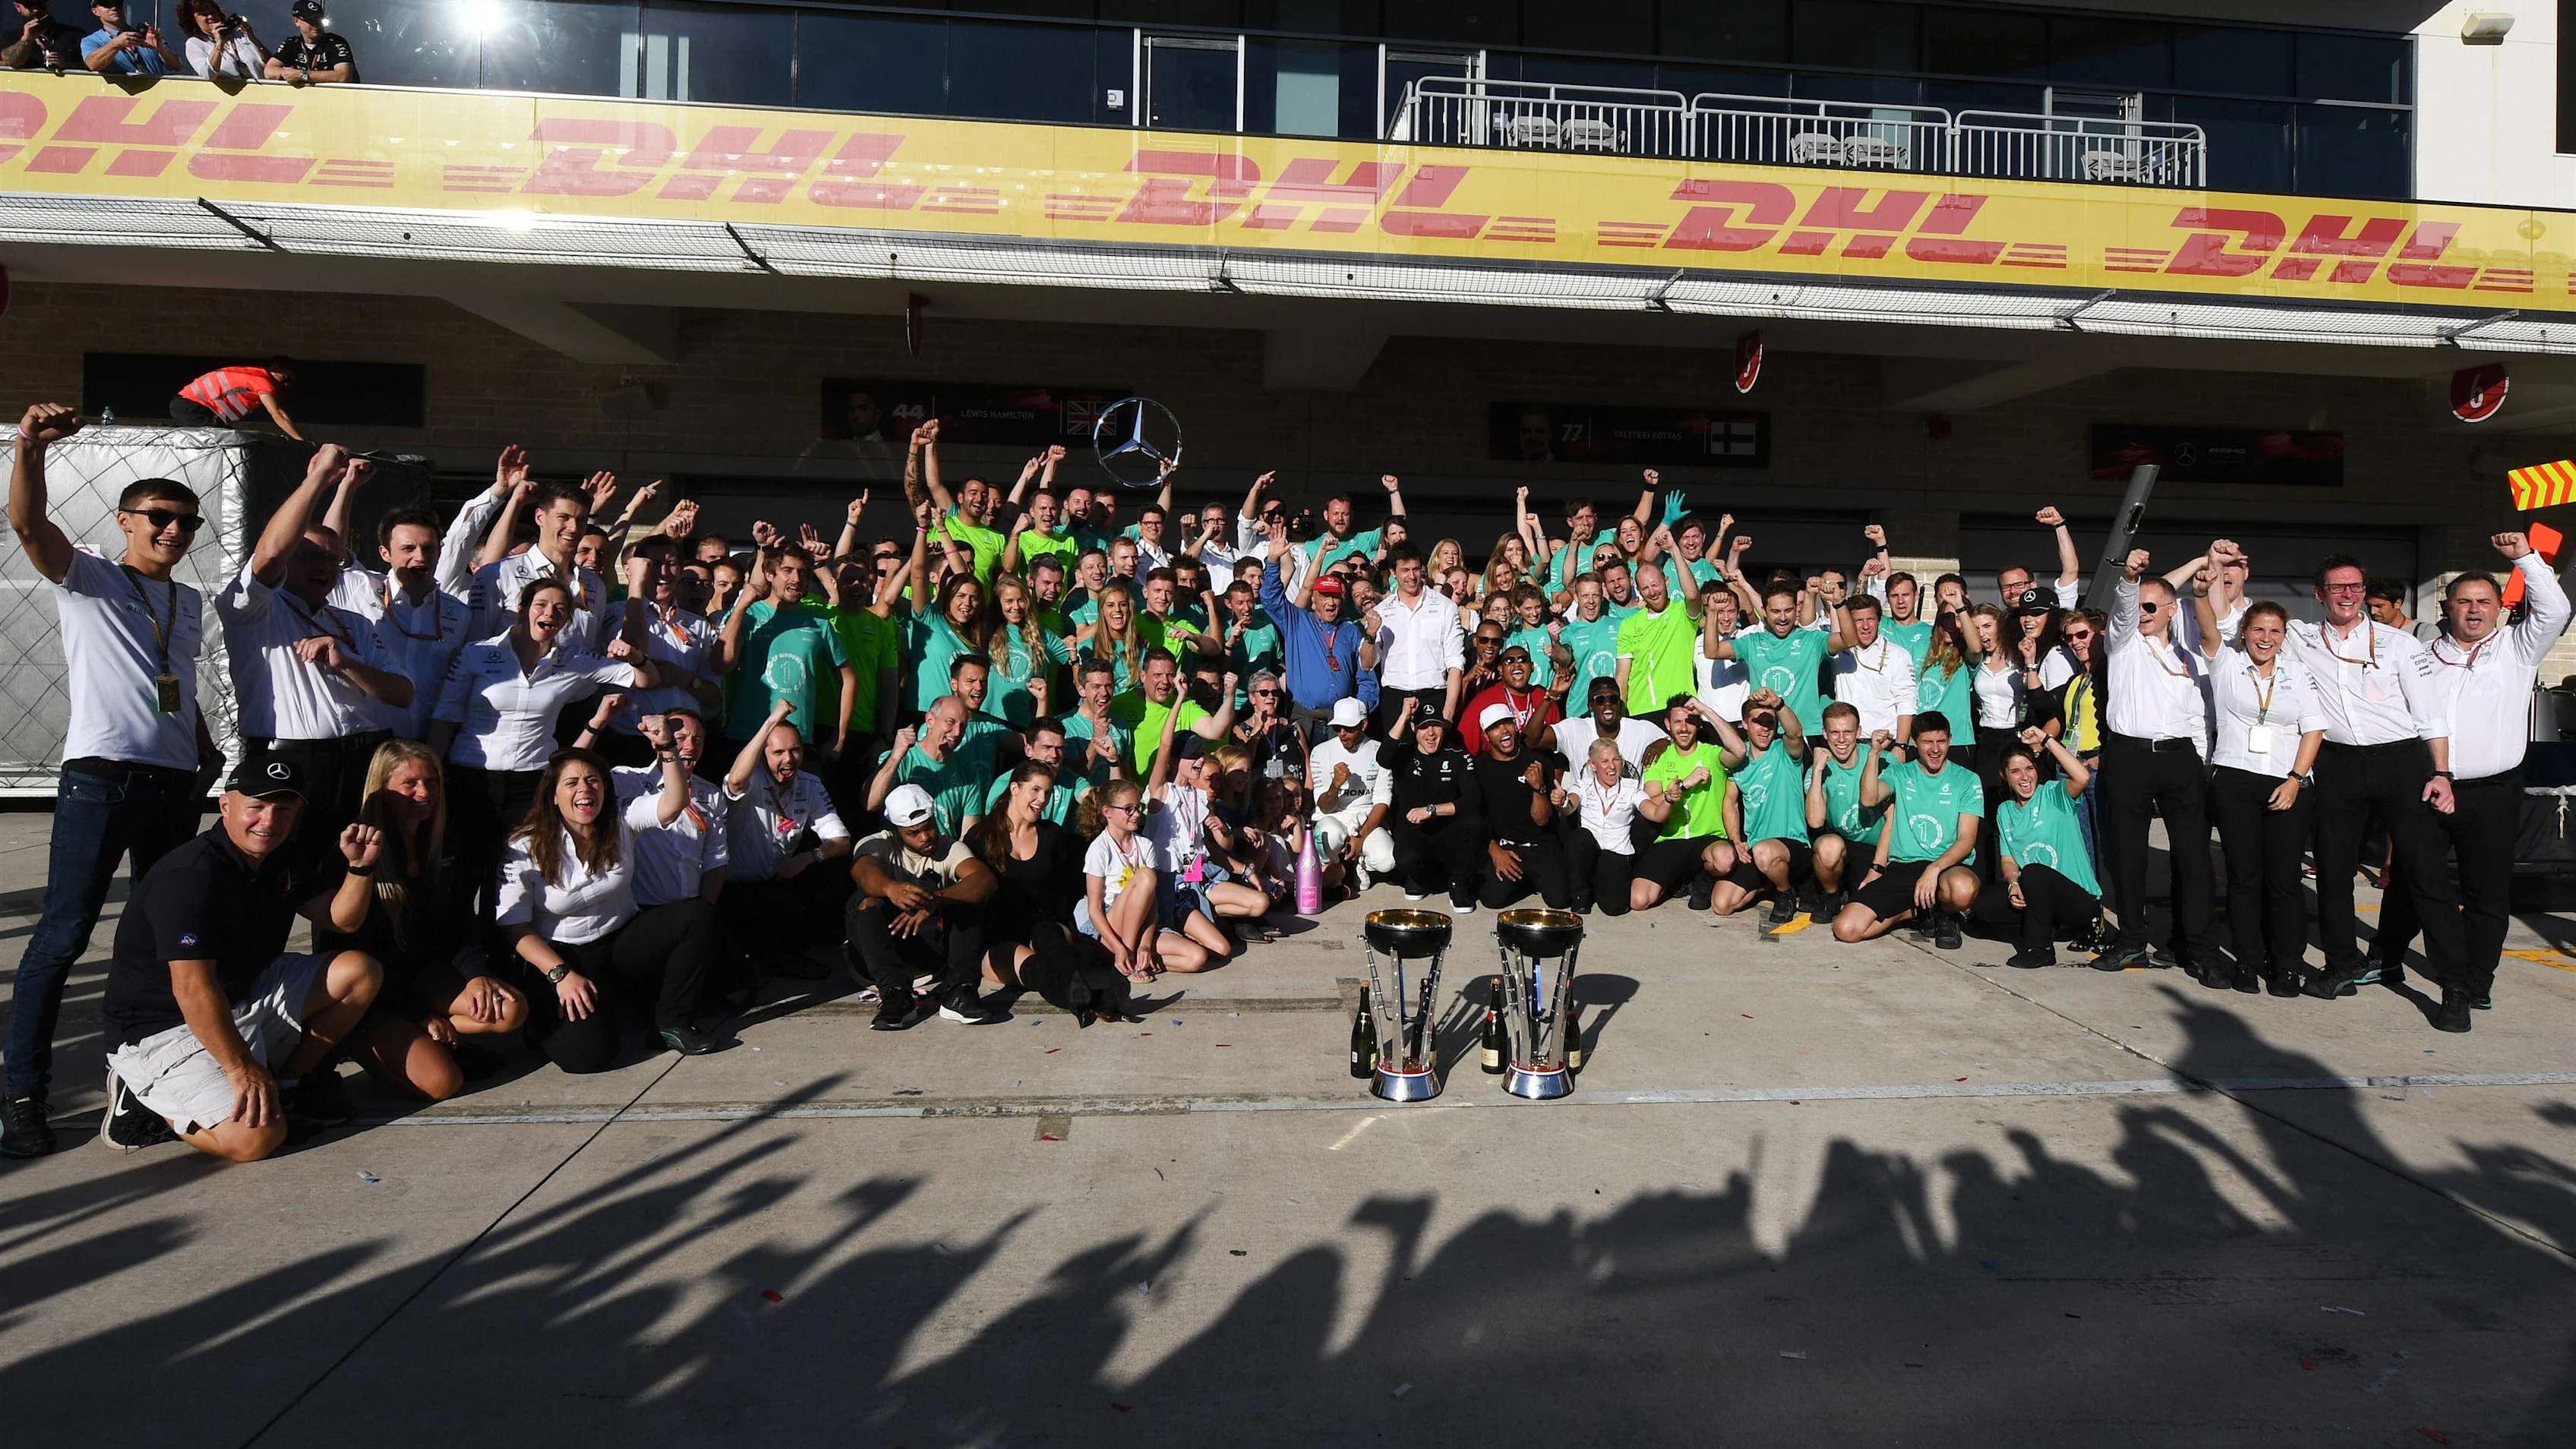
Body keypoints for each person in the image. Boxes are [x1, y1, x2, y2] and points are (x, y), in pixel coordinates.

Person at [5, 403, 223, 1159]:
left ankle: (140, 1088)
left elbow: (175, 679)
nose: (174, 531)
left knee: (160, 946)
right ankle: (21, 1095)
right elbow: (30, 527)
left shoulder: (184, 600)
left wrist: (204, 749)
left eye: (188, 522)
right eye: (160, 517)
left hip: (171, 785)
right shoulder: (90, 577)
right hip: (101, 779)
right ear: (127, 521)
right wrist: (30, 447)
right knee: (64, 937)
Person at [96, 757, 386, 1161]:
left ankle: (288, 1087)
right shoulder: (191, 876)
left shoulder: (282, 856)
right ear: (225, 806)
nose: (269, 820)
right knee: (255, 1141)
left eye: (283, 809)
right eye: (257, 807)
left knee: (360, 972)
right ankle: (145, 1104)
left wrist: (361, 867)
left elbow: (342, 920)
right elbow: (192, 989)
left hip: (240, 996)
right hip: (164, 1027)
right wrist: (240, 1070)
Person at [2371, 532, 2571, 1030]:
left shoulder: (2517, 650)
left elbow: (2556, 609)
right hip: (2427, 787)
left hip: (2493, 792)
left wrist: (2525, 558)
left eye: (2484, 601)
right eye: (2465, 601)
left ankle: (2474, 980)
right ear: (2448, 607)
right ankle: (2388, 958)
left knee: (2486, 892)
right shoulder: (2419, 656)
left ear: (2498, 609)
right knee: (2416, 882)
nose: (2475, 610)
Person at [2284, 548, 2464, 1003]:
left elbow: (2431, 716)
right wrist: (2227, 572)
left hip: (2401, 763)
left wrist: (2441, 772)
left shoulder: (2400, 644)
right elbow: (2237, 620)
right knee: (2333, 871)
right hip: (2339, 765)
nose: (2348, 595)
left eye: (2355, 587)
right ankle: (2341, 965)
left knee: (2426, 875)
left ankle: (2455, 987)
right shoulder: (2300, 638)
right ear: (2319, 594)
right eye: (2338, 587)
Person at [219, 445, 411, 851]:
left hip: (363, 759)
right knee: (286, 873)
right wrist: (319, 479)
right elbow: (270, 552)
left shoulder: (352, 621)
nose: (323, 566)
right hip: (292, 763)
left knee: (354, 872)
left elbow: (403, 693)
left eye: (333, 559)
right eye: (307, 556)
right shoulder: (256, 611)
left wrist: (347, 665)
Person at [430, 576, 653, 921]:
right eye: (542, 605)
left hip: (532, 784)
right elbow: (445, 717)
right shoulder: (479, 653)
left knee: (513, 875)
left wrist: (636, 656)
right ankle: (459, 963)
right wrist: (434, 768)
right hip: (470, 779)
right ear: (522, 610)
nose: (551, 613)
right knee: (463, 872)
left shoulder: (573, 661)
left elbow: (645, 680)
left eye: (561, 609)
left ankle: (506, 960)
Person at [324, 741, 528, 1103]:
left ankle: (427, 1032)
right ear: (381, 790)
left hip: (424, 974)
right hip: (375, 991)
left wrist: (476, 973)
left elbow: (460, 921)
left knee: (509, 1010)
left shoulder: (444, 840)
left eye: (432, 782)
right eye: (410, 784)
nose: (425, 793)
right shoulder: (358, 850)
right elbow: (362, 950)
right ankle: (358, 1039)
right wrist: (416, 1015)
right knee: (443, 1082)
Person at [497, 747, 724, 1072]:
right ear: (553, 796)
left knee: (697, 916)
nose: (585, 790)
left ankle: (671, 1023)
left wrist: (669, 749)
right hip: (561, 957)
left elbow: (672, 803)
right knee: (590, 1057)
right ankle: (544, 1019)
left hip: (620, 939)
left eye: (593, 781)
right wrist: (560, 975)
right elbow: (514, 927)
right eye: (572, 783)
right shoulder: (523, 846)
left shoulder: (621, 820)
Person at [2186, 578, 2326, 996]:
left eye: (2275, 631)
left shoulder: (2298, 674)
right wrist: (2201, 589)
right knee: (2244, 878)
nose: (2266, 638)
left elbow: (2314, 730)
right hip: (2235, 780)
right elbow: (2208, 624)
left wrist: (2296, 781)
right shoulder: (2225, 663)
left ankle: (2286, 964)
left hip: (2289, 781)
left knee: (2283, 879)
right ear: (2244, 632)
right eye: (2258, 630)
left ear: (2284, 637)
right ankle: (2249, 960)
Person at [2092, 549, 2222, 980]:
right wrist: (2129, 580)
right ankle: (2131, 939)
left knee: (2193, 856)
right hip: (2130, 755)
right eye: (2138, 606)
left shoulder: (2188, 655)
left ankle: (2199, 947)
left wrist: (2201, 762)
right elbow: (2125, 613)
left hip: (2180, 758)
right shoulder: (2124, 643)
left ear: (2171, 611)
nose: (2142, 614)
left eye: (2152, 607)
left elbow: (2200, 713)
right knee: (2130, 855)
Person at [848, 784, 1002, 1029]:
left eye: (929, 827)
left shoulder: (949, 848)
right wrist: (891, 889)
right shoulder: (879, 844)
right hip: (882, 953)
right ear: (897, 831)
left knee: (968, 899)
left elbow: (985, 880)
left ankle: (959, 993)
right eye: (914, 833)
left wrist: (938, 899)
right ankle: (896, 995)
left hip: (930, 954)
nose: (925, 837)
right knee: (865, 900)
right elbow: (862, 870)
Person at [721, 699, 856, 976]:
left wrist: (810, 857)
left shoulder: (810, 783)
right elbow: (734, 781)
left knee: (831, 868)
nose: (789, 759)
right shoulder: (752, 779)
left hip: (779, 880)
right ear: (763, 755)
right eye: (779, 752)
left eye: (795, 751)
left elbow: (842, 840)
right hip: (735, 888)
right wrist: (771, 721)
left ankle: (794, 951)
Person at [1832, 713, 1982, 948]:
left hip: (1946, 867)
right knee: (1846, 929)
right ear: (1914, 742)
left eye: (1941, 741)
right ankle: (1916, 911)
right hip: (1904, 867)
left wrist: (1935, 869)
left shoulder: (1967, 780)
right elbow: (1869, 798)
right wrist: (1874, 753)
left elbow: (1966, 840)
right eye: (1927, 742)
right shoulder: (1899, 773)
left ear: (1950, 741)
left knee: (1963, 889)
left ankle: (1945, 913)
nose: (1935, 749)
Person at [332, 505, 474, 743]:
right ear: (385, 553)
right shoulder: (360, 590)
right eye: (408, 548)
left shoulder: (459, 614)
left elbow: (456, 689)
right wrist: (346, 486)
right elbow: (332, 549)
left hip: (429, 744)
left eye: (428, 548)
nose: (420, 557)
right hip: (369, 743)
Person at [1977, 731, 2103, 969]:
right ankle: (2048, 925)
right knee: (1983, 905)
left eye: (2029, 768)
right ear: (2004, 776)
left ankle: (2041, 948)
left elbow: (2082, 777)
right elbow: (2008, 859)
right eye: (2015, 771)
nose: (2024, 777)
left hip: (2078, 899)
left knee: (2035, 872)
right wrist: (2013, 883)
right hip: (2038, 897)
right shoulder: (2005, 810)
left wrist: (2046, 740)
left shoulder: (2055, 794)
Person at [1077, 778, 1212, 978]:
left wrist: (1146, 945)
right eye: (1128, 809)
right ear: (1108, 812)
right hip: (1110, 927)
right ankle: (1127, 956)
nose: (1136, 814)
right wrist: (1120, 947)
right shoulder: (1099, 849)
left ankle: (1137, 961)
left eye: (1138, 807)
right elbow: (1094, 908)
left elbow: (1153, 903)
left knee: (1197, 957)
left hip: (1142, 922)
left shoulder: (1145, 845)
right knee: (1145, 875)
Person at [971, 763, 1082, 991]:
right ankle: (1094, 1001)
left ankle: (1089, 996)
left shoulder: (1051, 834)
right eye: (1035, 790)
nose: (1042, 799)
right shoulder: (981, 837)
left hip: (1045, 931)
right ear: (1015, 788)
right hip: (1000, 938)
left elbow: (1062, 892)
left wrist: (1066, 930)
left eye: (1048, 792)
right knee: (1042, 974)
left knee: (1049, 937)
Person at [1709, 694, 1810, 927]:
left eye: (1770, 723)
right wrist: (1736, 841)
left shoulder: (1785, 751)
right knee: (1721, 904)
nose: (1764, 729)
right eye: (1757, 722)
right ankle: (1769, 884)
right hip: (1757, 849)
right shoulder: (1740, 760)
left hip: (1793, 845)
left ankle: (1785, 892)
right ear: (1744, 723)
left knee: (1765, 853)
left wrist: (1779, 704)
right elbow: (1730, 803)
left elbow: (1795, 733)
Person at [1634, 695, 1740, 912]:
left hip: (1709, 838)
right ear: (1667, 725)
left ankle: (1704, 877)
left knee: (1725, 859)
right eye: (1677, 722)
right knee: (1639, 900)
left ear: (1699, 724)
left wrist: (1706, 710)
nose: (1684, 728)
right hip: (1670, 839)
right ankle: (1677, 880)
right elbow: (1651, 802)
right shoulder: (1659, 758)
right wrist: (1683, 786)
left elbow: (1739, 750)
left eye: (1690, 721)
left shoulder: (1711, 753)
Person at [1258, 535, 1366, 726]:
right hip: (1303, 719)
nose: (1331, 602)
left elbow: (1365, 676)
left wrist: (1362, 710)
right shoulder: (1297, 621)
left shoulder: (1351, 632)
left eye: (1336, 597)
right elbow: (1270, 599)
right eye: (1325, 596)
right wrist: (1273, 561)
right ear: (1314, 600)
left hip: (1343, 723)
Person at [1384, 701, 1481, 912]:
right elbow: (1383, 757)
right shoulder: (1403, 755)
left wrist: (1432, 810)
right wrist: (1404, 716)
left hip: (1449, 832)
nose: (1430, 733)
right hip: (1415, 834)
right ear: (1413, 729)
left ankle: (1459, 883)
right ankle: (1419, 878)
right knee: (1406, 856)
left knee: (1475, 824)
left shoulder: (1458, 755)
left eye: (1436, 726)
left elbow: (1473, 799)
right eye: (1423, 727)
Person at [1804, 702, 1886, 920]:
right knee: (1827, 848)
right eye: (1835, 733)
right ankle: (1831, 895)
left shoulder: (1882, 760)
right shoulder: (1819, 767)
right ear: (1824, 733)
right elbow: (1814, 820)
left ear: (1859, 732)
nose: (1841, 740)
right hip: (1843, 844)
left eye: (1848, 732)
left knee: (1867, 907)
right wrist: (1818, 771)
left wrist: (1878, 866)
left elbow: (1895, 820)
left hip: (1877, 848)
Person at [1371, 543, 1465, 728]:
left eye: (1415, 569)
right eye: (1405, 570)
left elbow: (1455, 663)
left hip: (1433, 696)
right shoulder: (1380, 611)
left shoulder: (1445, 607)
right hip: (1395, 698)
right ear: (1393, 572)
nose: (1411, 576)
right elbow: (1368, 663)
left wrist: (1448, 711)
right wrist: (1369, 634)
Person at [1309, 697, 1395, 891]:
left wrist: (1360, 837)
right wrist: (1335, 786)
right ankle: (1337, 868)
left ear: (1364, 725)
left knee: (1387, 860)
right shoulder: (1321, 752)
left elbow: (1383, 802)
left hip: (1365, 816)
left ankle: (1360, 861)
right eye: (1338, 728)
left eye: (1349, 728)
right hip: (1333, 816)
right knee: (1327, 835)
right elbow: (1324, 806)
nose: (1342, 734)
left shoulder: (1379, 751)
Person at [1555, 737, 1644, 915]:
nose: (1612, 766)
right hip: (1589, 849)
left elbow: (1654, 812)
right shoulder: (1582, 785)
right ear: (1593, 765)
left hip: (1615, 853)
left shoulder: (1631, 787)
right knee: (1580, 837)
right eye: (1604, 761)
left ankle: (1597, 881)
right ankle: (1581, 895)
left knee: (1615, 907)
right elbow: (1570, 805)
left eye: (1616, 760)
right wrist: (1562, 801)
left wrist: (1668, 799)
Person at [1460, 641, 1563, 756]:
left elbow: (1559, 746)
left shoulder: (1544, 697)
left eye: (1523, 660)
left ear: (1532, 667)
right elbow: (1466, 747)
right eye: (1509, 661)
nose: (1517, 665)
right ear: (1500, 669)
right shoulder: (1483, 701)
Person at [169, 355, 301, 435]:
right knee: (220, 442)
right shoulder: (263, 381)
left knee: (225, 436)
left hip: (191, 406)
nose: (286, 385)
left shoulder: (252, 374)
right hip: (194, 407)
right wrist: (300, 441)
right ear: (276, 368)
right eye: (286, 379)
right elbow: (278, 414)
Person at [81, 0, 184, 74]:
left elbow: (177, 66)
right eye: (106, 4)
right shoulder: (91, 41)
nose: (114, 8)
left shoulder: (147, 35)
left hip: (156, 98)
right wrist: (116, 44)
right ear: (95, 11)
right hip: (122, 101)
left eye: (118, 3)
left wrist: (161, 48)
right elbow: (92, 65)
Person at [264, 0, 353, 83]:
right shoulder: (292, 44)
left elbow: (343, 76)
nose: (316, 25)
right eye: (311, 21)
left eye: (319, 20)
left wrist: (302, 75)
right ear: (297, 21)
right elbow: (269, 71)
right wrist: (289, 74)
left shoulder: (335, 42)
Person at [178, 0, 264, 78]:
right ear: (193, 20)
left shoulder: (239, 35)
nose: (211, 16)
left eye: (213, 12)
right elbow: (208, 74)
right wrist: (220, 43)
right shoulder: (195, 44)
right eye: (204, 14)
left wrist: (253, 39)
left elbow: (268, 65)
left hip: (261, 92)